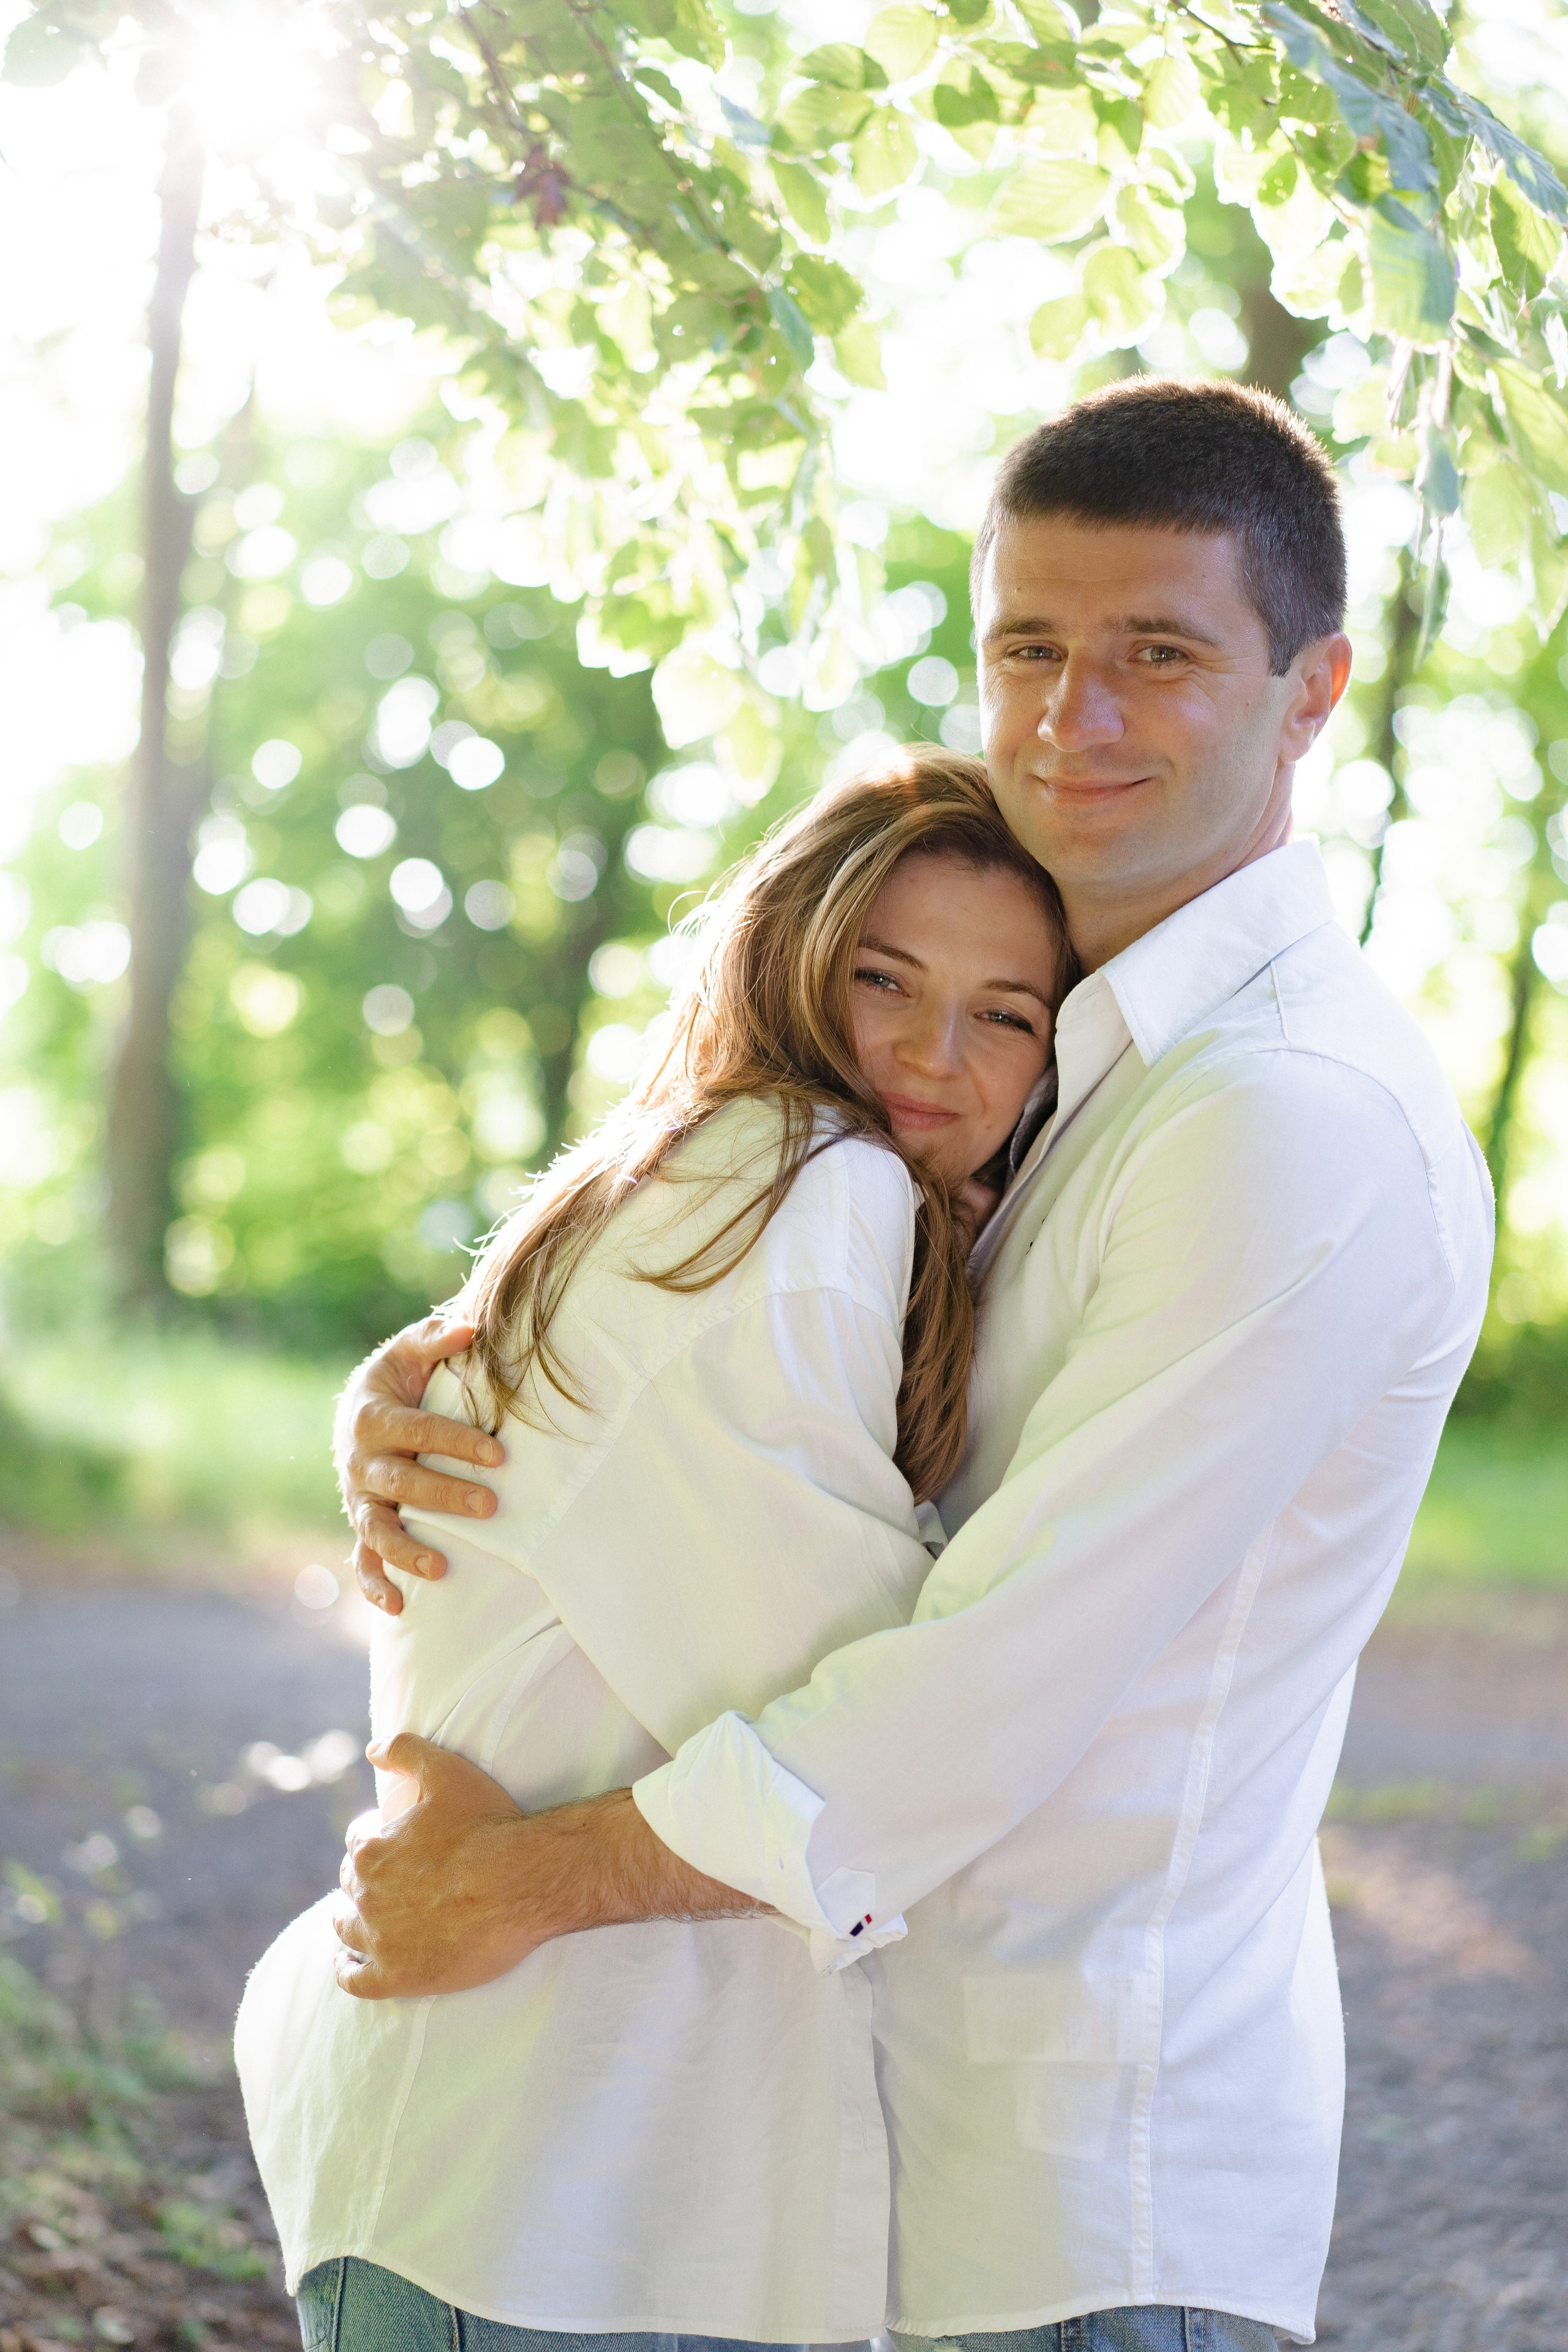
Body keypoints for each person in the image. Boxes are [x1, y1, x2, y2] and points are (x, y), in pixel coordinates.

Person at [337, 380, 1493, 2352]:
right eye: (1029, 648)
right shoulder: (1055, 1069)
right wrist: (474, 1387)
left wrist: (522, 1881)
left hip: (1089, 2187)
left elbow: (992, 1673)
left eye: (1159, 655)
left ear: (1314, 690)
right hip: (913, 2151)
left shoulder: (1282, 1117)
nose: (1074, 719)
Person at [235, 751, 1074, 2348]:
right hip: (540, 2198)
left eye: (1007, 1012)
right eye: (882, 976)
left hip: (546, 2189)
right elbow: (864, 1735)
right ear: (790, 961)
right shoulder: (805, 1181)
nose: (930, 1051)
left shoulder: (718, 1186)